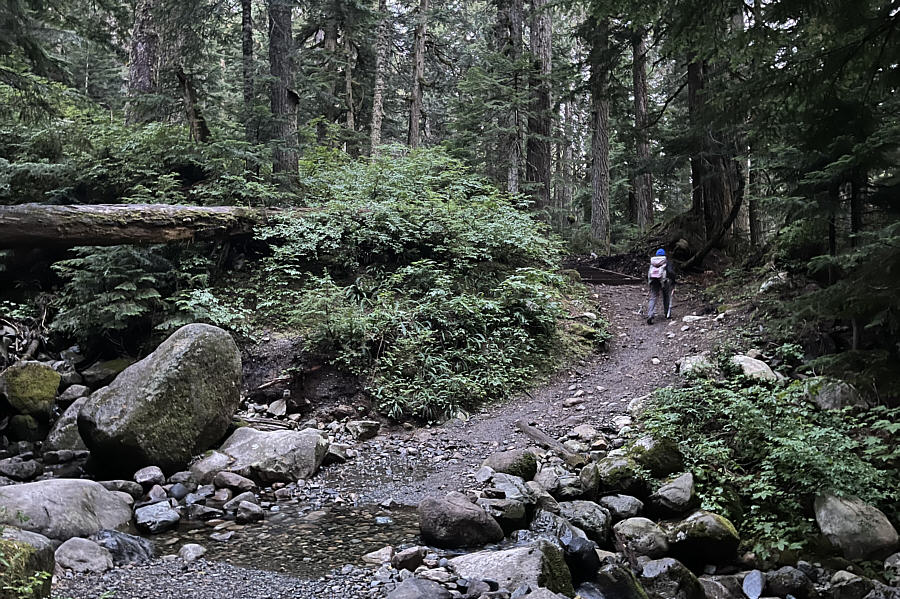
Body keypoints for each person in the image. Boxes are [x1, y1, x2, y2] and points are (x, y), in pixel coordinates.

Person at [646, 248, 675, 325]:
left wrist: (649, 282)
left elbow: (649, 273)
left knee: (653, 297)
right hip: (664, 281)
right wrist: (673, 281)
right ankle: (667, 313)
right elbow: (671, 272)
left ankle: (650, 314)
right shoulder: (666, 261)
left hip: (654, 281)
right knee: (666, 296)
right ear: (664, 254)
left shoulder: (653, 262)